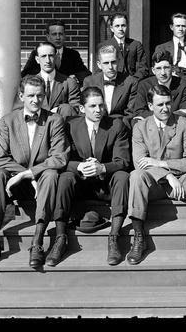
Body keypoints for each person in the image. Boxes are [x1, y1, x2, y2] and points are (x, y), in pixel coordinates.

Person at [0, 75, 70, 271]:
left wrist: (30, 174)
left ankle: (37, 242)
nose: (36, 100)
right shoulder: (8, 121)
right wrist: (24, 174)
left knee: (51, 173)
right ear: (21, 96)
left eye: (39, 95)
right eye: (30, 96)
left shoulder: (54, 120)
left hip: (43, 185)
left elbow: (59, 157)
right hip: (14, 186)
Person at [127, 85, 186, 265]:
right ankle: (139, 237)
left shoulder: (184, 124)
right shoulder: (140, 127)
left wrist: (161, 164)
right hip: (155, 184)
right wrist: (167, 176)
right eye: (160, 105)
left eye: (168, 103)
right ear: (150, 106)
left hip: (181, 180)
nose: (165, 108)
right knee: (136, 175)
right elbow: (140, 161)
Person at [56, 87, 131, 266]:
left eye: (101, 105)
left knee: (122, 176)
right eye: (92, 106)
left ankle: (114, 237)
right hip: (80, 185)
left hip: (105, 185)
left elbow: (123, 161)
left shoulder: (116, 125)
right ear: (82, 109)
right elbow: (61, 158)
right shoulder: (70, 125)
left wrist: (102, 168)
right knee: (65, 177)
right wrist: (79, 166)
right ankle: (60, 237)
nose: (98, 110)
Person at [16, 42, 81, 118]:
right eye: (43, 56)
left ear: (56, 57)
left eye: (51, 56)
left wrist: (59, 110)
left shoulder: (69, 83)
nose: (48, 60)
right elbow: (19, 108)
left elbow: (75, 109)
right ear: (37, 59)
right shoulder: (27, 83)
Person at [82, 44, 138, 129]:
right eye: (106, 63)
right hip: (96, 126)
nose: (110, 67)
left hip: (120, 127)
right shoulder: (89, 81)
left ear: (118, 61)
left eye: (113, 62)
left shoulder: (130, 82)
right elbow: (87, 109)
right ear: (99, 64)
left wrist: (117, 127)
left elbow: (130, 113)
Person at [132, 49, 186, 125]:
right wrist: (169, 115)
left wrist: (156, 115)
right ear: (153, 70)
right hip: (151, 126)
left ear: (172, 68)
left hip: (175, 126)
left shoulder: (183, 85)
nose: (163, 73)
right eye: (158, 68)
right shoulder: (144, 85)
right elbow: (139, 111)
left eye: (166, 68)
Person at [21, 20, 91, 85]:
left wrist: (76, 76)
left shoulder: (73, 54)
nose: (58, 37)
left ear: (64, 36)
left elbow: (86, 73)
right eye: (54, 34)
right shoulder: (38, 53)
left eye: (60, 34)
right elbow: (26, 74)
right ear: (48, 36)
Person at [98, 13, 149, 80]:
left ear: (127, 26)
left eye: (123, 25)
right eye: (117, 26)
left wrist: (133, 81)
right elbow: (100, 69)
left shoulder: (136, 45)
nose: (120, 29)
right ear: (111, 28)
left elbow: (143, 68)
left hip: (133, 83)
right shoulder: (104, 46)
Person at [153, 12, 186, 83]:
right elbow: (157, 67)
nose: (181, 29)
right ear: (171, 27)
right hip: (171, 77)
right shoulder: (162, 47)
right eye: (178, 26)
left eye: (183, 26)